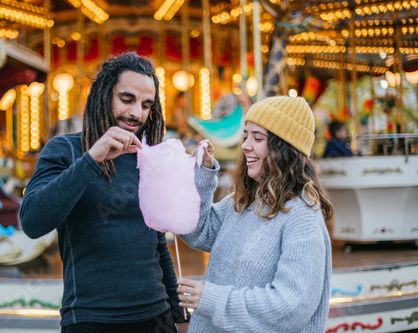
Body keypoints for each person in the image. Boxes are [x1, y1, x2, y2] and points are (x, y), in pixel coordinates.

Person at [19, 53, 189, 333]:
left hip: (155, 316)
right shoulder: (65, 150)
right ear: (104, 95)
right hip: (90, 318)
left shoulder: (146, 156)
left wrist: (179, 314)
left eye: (147, 105)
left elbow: (158, 243)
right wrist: (91, 159)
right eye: (127, 99)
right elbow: (33, 222)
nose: (137, 113)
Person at [176, 96, 333, 332]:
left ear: (285, 149)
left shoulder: (303, 218)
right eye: (246, 136)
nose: (245, 145)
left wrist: (211, 299)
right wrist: (204, 174)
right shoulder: (246, 199)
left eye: (258, 138)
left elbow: (290, 306)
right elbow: (198, 230)